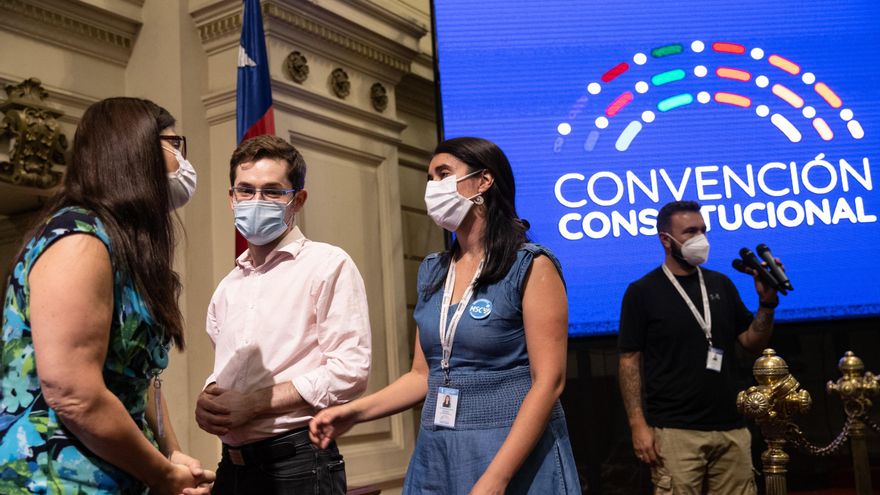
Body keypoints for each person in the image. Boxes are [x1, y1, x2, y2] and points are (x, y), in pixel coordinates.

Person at [310, 136, 581, 494]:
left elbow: (549, 382)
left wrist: (497, 479)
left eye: (443, 174)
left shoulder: (531, 265)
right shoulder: (434, 270)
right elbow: (423, 374)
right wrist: (354, 413)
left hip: (511, 452)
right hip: (439, 451)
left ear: (484, 181)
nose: (433, 187)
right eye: (430, 178)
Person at [0, 97, 212, 494]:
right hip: (55, 478)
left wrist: (171, 453)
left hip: (115, 475)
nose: (182, 162)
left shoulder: (120, 244)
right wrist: (163, 476)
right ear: (135, 151)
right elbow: (73, 392)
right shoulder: (80, 238)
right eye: (173, 145)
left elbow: (134, 374)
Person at [194, 135, 371, 495]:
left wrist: (255, 403)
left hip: (298, 464)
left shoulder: (327, 264)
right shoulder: (229, 285)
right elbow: (232, 367)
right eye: (245, 190)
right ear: (232, 199)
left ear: (298, 200)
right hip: (232, 465)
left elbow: (350, 370)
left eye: (272, 192)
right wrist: (210, 397)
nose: (256, 201)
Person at [618, 200, 781, 495]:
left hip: (731, 426)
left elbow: (752, 342)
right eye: (690, 231)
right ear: (665, 240)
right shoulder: (642, 292)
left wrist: (767, 303)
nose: (700, 239)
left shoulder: (721, 284)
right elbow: (629, 360)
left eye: (703, 230)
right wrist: (637, 425)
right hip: (675, 431)